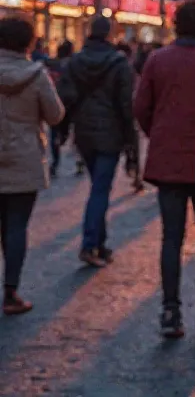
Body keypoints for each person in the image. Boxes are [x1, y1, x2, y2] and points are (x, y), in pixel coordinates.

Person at [134, 0, 195, 339]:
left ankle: (170, 311)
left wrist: (158, 135)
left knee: (171, 238)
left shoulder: (158, 60)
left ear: (174, 24)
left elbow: (141, 107)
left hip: (168, 162)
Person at [58, 15, 136, 268]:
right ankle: (90, 244)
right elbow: (126, 105)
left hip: (84, 133)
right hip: (110, 133)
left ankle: (100, 244)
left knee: (97, 187)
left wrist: (62, 131)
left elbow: (65, 98)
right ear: (110, 34)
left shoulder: (75, 63)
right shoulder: (118, 63)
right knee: (100, 189)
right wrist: (130, 139)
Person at [0, 16, 64, 314]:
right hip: (24, 161)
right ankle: (10, 292)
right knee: (16, 228)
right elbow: (55, 115)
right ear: (29, 42)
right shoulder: (36, 75)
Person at [48, 40, 74, 177]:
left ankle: (55, 162)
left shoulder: (53, 64)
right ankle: (79, 161)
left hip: (56, 100)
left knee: (55, 133)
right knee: (72, 131)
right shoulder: (75, 64)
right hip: (72, 102)